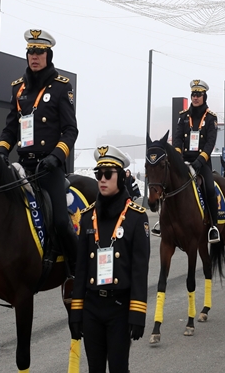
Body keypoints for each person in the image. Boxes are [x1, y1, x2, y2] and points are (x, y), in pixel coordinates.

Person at [0, 29, 79, 272]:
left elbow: (70, 130)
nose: (34, 56)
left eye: (39, 52)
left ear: (48, 55)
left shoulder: (62, 87)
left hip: (49, 167)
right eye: (31, 51)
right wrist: (1, 151)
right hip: (23, 165)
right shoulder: (18, 89)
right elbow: (10, 129)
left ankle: (75, 270)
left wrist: (56, 156)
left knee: (62, 222)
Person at [69, 144, 150, 373]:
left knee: (118, 368)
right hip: (93, 307)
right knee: (95, 369)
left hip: (120, 308)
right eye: (98, 175)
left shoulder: (136, 217)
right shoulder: (87, 217)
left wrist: (138, 312)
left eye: (107, 174)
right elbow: (81, 269)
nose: (102, 180)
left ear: (121, 177)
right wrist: (76, 311)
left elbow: (139, 269)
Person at [172, 79, 220, 242]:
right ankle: (164, 221)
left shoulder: (211, 118)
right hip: (184, 162)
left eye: (199, 94)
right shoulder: (183, 117)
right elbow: (177, 138)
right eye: (193, 94)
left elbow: (210, 142)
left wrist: (200, 160)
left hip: (202, 163)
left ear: (204, 96)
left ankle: (213, 226)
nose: (195, 98)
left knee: (209, 188)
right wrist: (178, 156)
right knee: (169, 183)